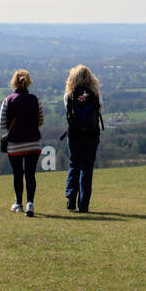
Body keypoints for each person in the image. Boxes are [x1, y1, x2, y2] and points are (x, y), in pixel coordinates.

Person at [0, 69, 44, 217]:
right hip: (33, 143)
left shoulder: (8, 100)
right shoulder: (35, 99)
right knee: (30, 174)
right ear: (28, 81)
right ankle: (30, 203)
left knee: (18, 174)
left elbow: (2, 124)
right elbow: (40, 121)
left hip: (15, 144)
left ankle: (18, 203)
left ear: (14, 82)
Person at [63, 64, 104, 213]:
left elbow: (68, 111)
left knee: (74, 164)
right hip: (91, 135)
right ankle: (84, 204)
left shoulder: (69, 95)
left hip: (74, 134)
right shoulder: (96, 93)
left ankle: (71, 198)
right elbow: (99, 109)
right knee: (87, 168)